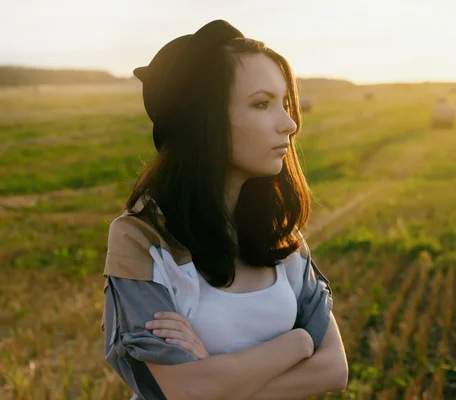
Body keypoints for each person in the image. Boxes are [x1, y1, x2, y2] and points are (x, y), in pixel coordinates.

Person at [101, 19, 348, 400]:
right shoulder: (140, 239)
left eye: (284, 103)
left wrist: (216, 380)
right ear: (204, 121)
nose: (290, 123)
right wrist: (298, 343)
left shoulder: (282, 237)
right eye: (262, 104)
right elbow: (185, 389)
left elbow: (333, 369)